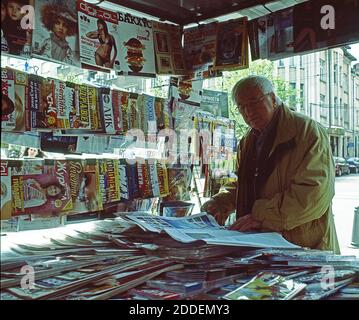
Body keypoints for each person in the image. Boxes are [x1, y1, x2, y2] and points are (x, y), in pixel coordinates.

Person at [201, 76, 340, 253]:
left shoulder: (306, 131)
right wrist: (220, 202)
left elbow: (313, 193)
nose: (248, 111)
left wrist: (262, 216)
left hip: (304, 247)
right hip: (262, 245)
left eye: (254, 102)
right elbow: (247, 183)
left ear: (273, 98)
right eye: (241, 107)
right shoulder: (248, 140)